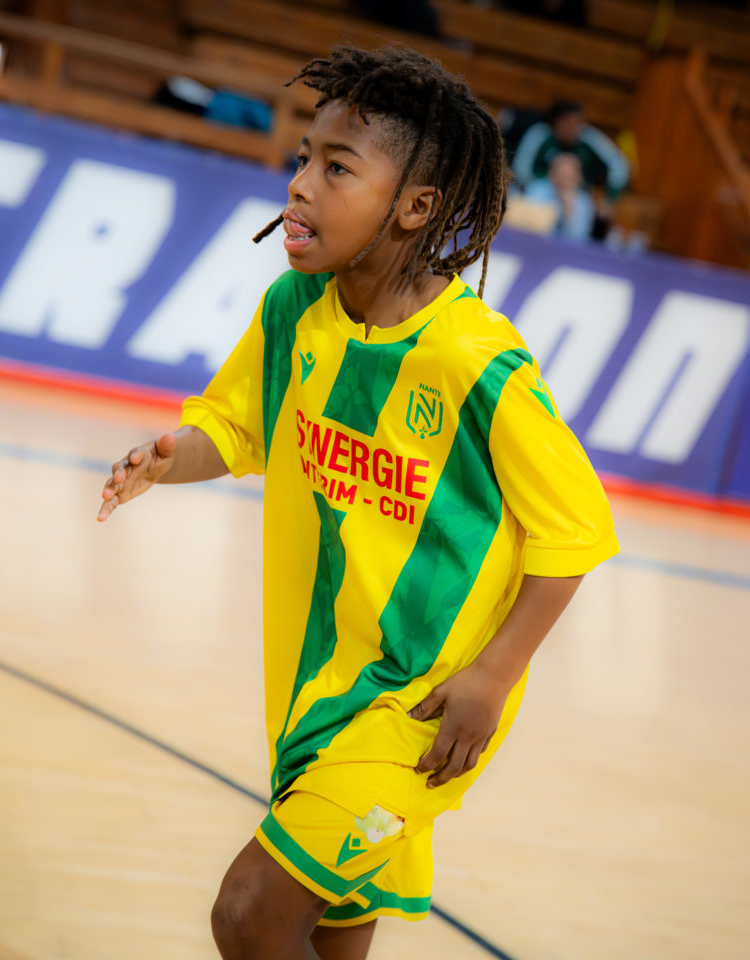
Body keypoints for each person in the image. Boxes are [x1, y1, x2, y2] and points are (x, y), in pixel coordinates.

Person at [97, 45, 619, 960]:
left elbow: (575, 531)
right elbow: (240, 427)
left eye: (337, 168)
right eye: (305, 157)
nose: (300, 184)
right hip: (316, 693)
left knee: (249, 912)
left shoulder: (473, 360)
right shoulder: (293, 308)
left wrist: (492, 678)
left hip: (420, 709)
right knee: (331, 933)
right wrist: (172, 457)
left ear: (415, 206)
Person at [512, 98, 630, 238]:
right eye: (567, 123)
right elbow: (521, 168)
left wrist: (609, 197)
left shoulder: (588, 137)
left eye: (578, 123)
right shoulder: (541, 134)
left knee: (580, 208)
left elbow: (619, 166)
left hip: (577, 192)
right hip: (541, 187)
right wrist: (547, 183)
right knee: (531, 198)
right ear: (556, 122)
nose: (573, 128)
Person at [524, 152, 595, 240]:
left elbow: (579, 237)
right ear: (551, 173)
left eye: (569, 176)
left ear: (578, 177)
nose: (564, 179)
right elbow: (527, 221)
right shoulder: (537, 189)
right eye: (561, 173)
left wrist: (568, 207)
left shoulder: (584, 202)